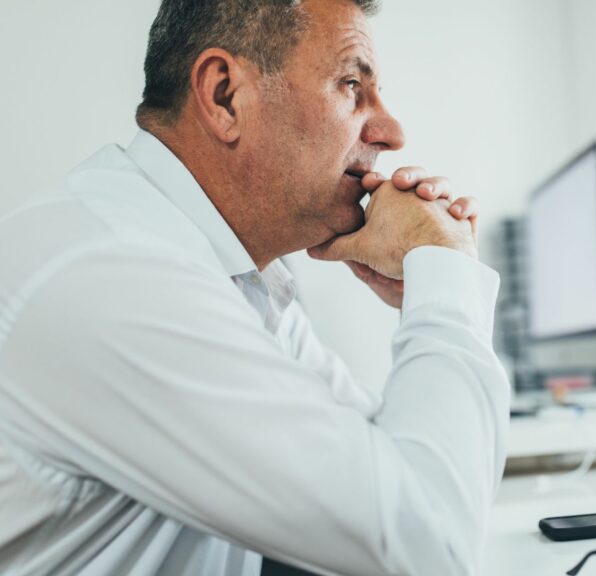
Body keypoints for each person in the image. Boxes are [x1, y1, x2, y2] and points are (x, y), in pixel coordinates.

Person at [0, 0, 510, 574]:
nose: (391, 132)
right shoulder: (114, 275)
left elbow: (387, 466)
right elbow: (431, 543)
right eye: (351, 84)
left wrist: (426, 286)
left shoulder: (232, 273)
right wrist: (441, 271)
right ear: (224, 97)